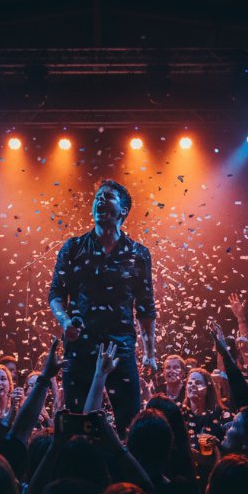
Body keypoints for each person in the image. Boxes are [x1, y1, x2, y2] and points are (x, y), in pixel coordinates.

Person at [49, 179, 157, 433]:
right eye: (97, 197)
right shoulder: (73, 247)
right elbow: (55, 295)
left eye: (107, 197)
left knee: (130, 423)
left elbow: (145, 307)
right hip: (80, 347)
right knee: (76, 421)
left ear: (123, 211)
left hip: (121, 347)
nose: (99, 201)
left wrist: (150, 352)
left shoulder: (138, 253)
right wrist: (65, 322)